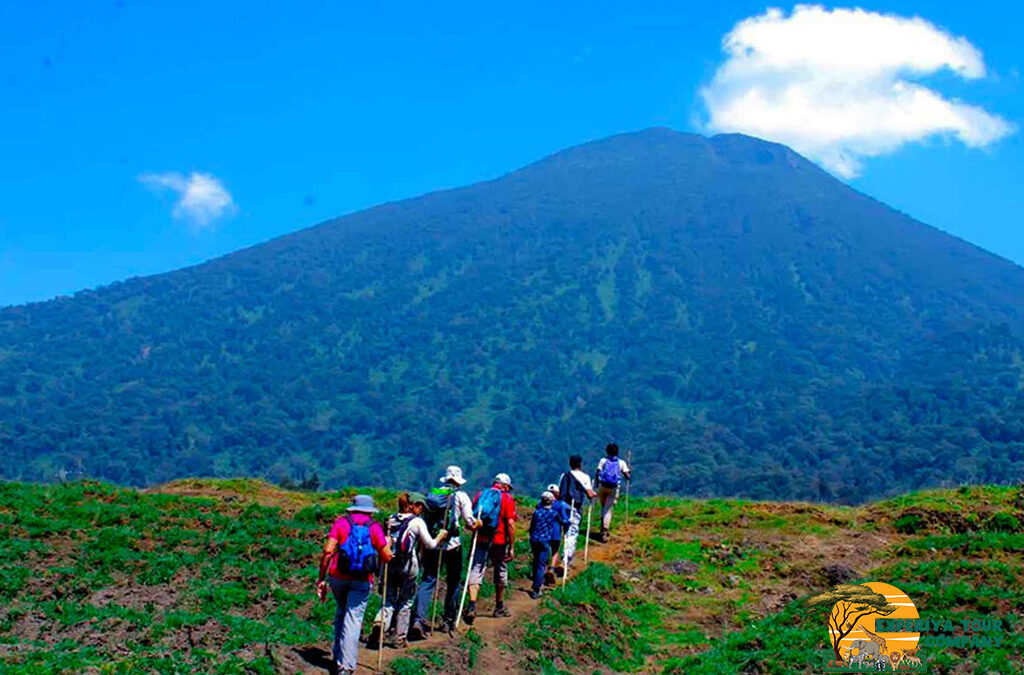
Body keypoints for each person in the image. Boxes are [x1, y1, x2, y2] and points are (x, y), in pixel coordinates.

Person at [316, 494, 392, 675]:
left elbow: (328, 551)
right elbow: (387, 556)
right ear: (370, 511)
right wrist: (388, 544)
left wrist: (321, 579)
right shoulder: (374, 527)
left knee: (341, 613)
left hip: (338, 577)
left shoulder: (341, 523)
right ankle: (346, 666)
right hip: (362, 580)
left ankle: (337, 655)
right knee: (353, 619)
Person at [375, 493, 448, 649]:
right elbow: (430, 545)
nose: (421, 510)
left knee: (388, 598)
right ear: (415, 505)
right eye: (421, 506)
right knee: (406, 601)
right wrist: (440, 536)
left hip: (389, 564)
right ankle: (400, 638)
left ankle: (380, 622)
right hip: (408, 566)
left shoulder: (390, 519)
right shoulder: (417, 522)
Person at [411, 465, 476, 636]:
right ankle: (448, 620)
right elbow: (469, 520)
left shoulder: (434, 492)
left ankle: (418, 619)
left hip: (433, 543)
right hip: (452, 544)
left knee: (428, 580)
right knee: (453, 581)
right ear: (459, 481)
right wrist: (477, 524)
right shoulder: (461, 496)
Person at [464, 472, 517, 623]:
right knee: (500, 569)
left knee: (476, 569)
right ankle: (499, 606)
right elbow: (511, 524)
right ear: (506, 486)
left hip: (481, 538)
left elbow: (474, 516)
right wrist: (511, 546)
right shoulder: (507, 498)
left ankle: (472, 605)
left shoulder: (480, 495)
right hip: (499, 540)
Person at [557, 455, 596, 572]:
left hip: (562, 508)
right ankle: (565, 560)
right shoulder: (585, 477)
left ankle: (556, 560)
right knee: (572, 533)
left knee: (563, 532)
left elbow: (559, 493)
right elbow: (589, 493)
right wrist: (594, 494)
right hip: (574, 508)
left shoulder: (564, 475)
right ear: (580, 464)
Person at [528, 490, 568, 599]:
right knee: (542, 564)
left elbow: (532, 527)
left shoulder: (537, 512)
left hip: (534, 539)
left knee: (536, 560)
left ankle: (535, 579)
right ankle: (536, 588)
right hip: (545, 540)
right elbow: (564, 521)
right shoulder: (554, 513)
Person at [594, 443, 631, 542]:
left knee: (603, 506)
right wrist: (628, 473)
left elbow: (598, 472)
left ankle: (602, 526)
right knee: (608, 508)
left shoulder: (603, 460)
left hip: (603, 486)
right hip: (614, 488)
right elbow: (627, 475)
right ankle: (605, 530)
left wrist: (596, 484)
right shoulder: (621, 462)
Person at [544, 483, 572, 585]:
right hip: (555, 531)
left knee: (545, 550)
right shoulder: (560, 505)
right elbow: (565, 519)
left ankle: (543, 568)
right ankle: (551, 568)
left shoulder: (541, 504)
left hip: (543, 531)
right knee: (555, 550)